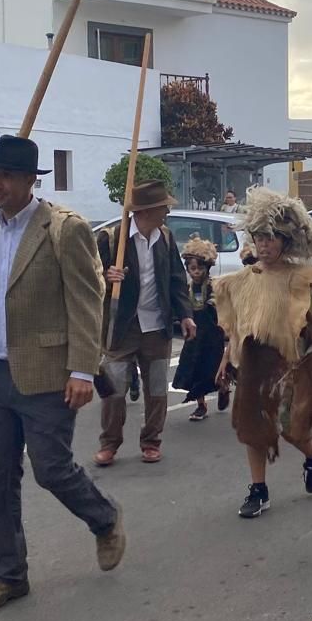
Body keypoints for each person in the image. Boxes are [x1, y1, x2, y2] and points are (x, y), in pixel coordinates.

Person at [0, 135, 124, 614]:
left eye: (7, 176)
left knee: (51, 468)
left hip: (47, 372)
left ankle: (103, 518)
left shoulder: (63, 229)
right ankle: (7, 575)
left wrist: (82, 368)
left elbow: (86, 302)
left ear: (29, 181)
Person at [213, 188, 312, 519]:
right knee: (252, 425)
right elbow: (238, 326)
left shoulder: (301, 278)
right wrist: (227, 359)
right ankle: (259, 489)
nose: (264, 245)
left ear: (285, 241)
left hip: (292, 362)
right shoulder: (242, 281)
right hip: (254, 363)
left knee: (292, 427)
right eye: (259, 238)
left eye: (271, 238)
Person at [94, 180, 196, 466]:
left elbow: (176, 279)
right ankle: (109, 444)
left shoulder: (165, 237)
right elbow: (88, 278)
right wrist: (106, 275)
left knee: (156, 389)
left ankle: (151, 441)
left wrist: (185, 314)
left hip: (157, 327)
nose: (167, 210)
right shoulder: (112, 238)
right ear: (147, 210)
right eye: (164, 206)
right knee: (114, 391)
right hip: (122, 326)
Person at [171, 235, 228, 420]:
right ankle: (201, 405)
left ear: (207, 268)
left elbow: (222, 309)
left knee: (213, 369)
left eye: (199, 268)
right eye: (192, 268)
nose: (196, 272)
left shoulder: (214, 287)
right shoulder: (186, 289)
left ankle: (223, 386)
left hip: (212, 336)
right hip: (194, 336)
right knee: (194, 370)